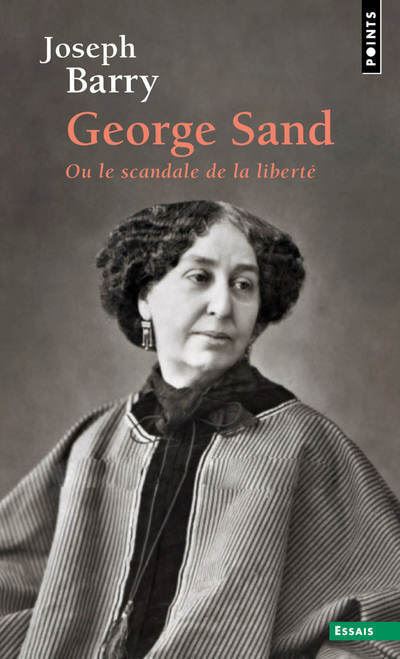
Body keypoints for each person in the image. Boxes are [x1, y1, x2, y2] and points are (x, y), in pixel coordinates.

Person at [0, 201, 399, 659]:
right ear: (145, 297)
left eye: (244, 285)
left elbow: (391, 624)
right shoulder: (95, 443)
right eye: (200, 277)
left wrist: (337, 653)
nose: (223, 306)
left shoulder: (303, 444)